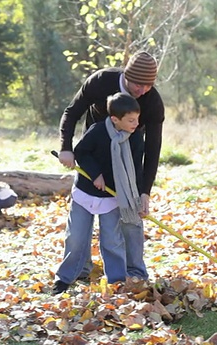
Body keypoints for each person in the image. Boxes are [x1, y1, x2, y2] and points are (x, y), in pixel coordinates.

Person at [57, 51, 163, 281]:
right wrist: (66, 147)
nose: (142, 91)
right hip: (92, 158)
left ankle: (133, 272)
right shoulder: (100, 81)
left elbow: (153, 148)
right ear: (126, 75)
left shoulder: (152, 100)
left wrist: (145, 191)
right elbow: (71, 112)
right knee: (81, 220)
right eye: (137, 84)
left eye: (147, 86)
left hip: (127, 163)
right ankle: (80, 269)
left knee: (129, 219)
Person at [53, 93, 145, 294]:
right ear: (115, 119)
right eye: (131, 120)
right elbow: (81, 152)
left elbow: (137, 169)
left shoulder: (135, 137)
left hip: (113, 197)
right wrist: (95, 175)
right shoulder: (98, 131)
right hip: (86, 193)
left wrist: (137, 198)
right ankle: (65, 278)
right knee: (76, 238)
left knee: (112, 240)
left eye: (137, 119)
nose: (136, 124)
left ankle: (116, 281)